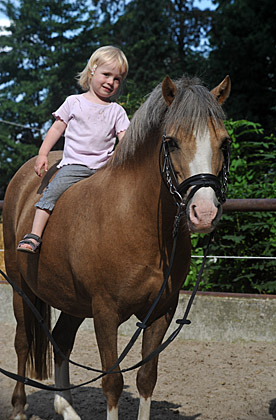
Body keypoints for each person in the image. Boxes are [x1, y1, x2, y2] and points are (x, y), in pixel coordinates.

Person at [17, 45, 129, 253]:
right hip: (75, 165)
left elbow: (126, 141)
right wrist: (43, 154)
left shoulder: (117, 111)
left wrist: (120, 155)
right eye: (106, 74)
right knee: (52, 193)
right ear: (93, 69)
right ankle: (34, 235)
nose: (110, 82)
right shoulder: (74, 102)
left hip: (105, 169)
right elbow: (57, 128)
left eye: (117, 79)